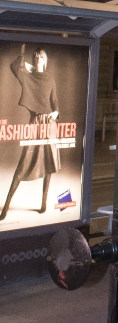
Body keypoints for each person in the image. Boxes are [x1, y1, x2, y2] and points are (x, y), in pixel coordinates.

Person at [0, 45, 60, 221]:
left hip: (49, 124)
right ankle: (6, 206)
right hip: (35, 123)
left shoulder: (50, 78)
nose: (37, 59)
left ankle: (44, 203)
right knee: (23, 163)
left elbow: (55, 102)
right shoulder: (28, 75)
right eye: (35, 57)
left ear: (46, 60)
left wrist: (56, 113)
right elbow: (14, 67)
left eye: (41, 57)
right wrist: (23, 58)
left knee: (49, 164)